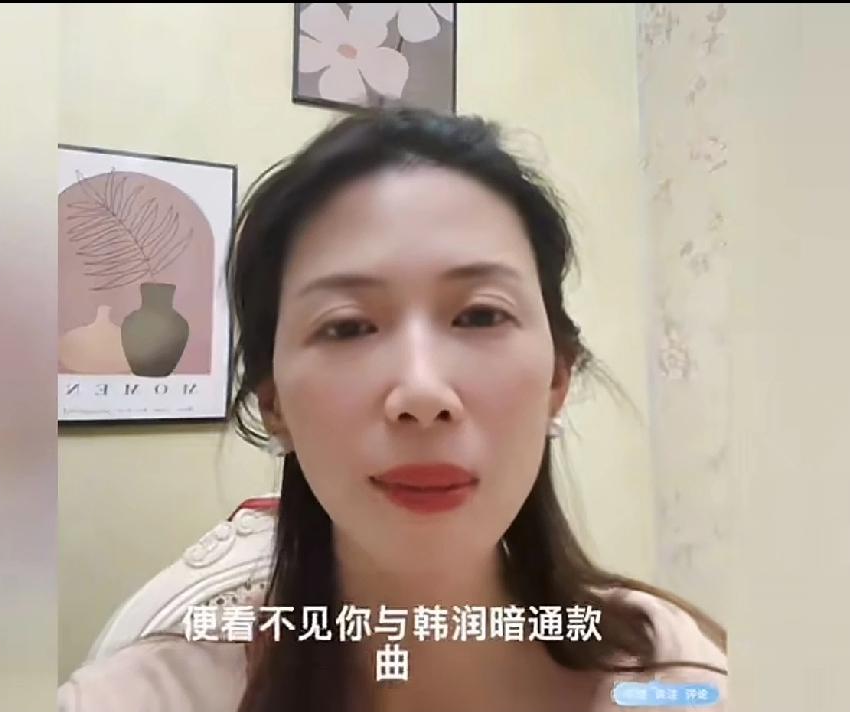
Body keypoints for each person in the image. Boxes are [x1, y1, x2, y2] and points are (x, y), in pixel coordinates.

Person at [59, 108, 728, 712]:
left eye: (480, 315)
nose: (422, 393)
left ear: (558, 376)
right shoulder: (144, 700)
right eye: (348, 326)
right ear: (274, 402)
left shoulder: (674, 678)